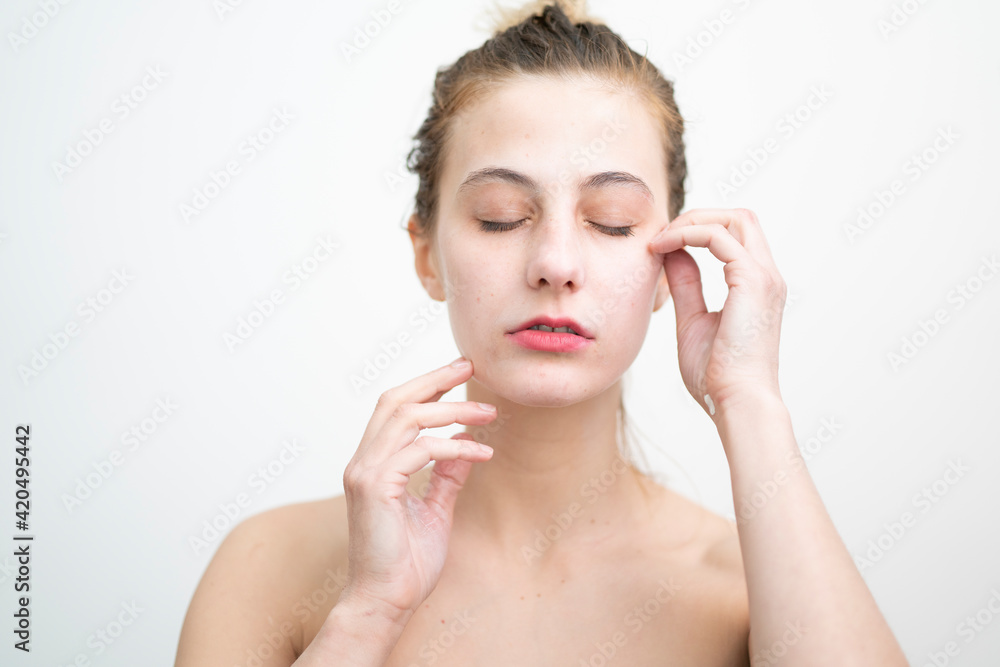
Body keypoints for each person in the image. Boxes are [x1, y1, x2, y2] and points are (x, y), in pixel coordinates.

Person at [175, 1, 908, 665]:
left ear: (669, 265)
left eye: (612, 221)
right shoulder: (271, 565)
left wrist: (748, 398)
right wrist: (367, 614)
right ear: (426, 253)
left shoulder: (751, 591)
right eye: (501, 215)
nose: (556, 262)